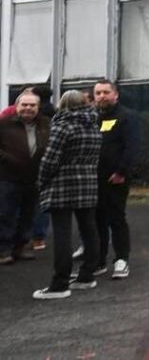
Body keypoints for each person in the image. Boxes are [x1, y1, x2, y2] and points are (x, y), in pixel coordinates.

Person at [32, 91, 102, 300]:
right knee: (89, 229)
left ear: (63, 104)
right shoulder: (93, 126)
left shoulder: (63, 126)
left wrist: (41, 180)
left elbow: (51, 159)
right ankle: (87, 275)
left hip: (63, 183)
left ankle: (60, 283)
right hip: (88, 182)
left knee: (62, 234)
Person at [93, 79, 140, 280]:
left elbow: (132, 147)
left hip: (116, 179)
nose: (101, 96)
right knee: (96, 220)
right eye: (98, 93)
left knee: (116, 218)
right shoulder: (92, 117)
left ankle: (121, 260)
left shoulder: (127, 116)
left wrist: (121, 171)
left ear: (115, 94)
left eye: (105, 92)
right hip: (93, 178)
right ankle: (98, 260)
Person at [0, 91, 51, 265]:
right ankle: (3, 250)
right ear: (17, 106)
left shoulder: (46, 124)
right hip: (7, 177)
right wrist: (7, 159)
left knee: (28, 214)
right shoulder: (4, 124)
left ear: (38, 107)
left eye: (32, 105)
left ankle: (21, 247)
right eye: (24, 105)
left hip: (34, 178)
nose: (28, 108)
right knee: (6, 214)